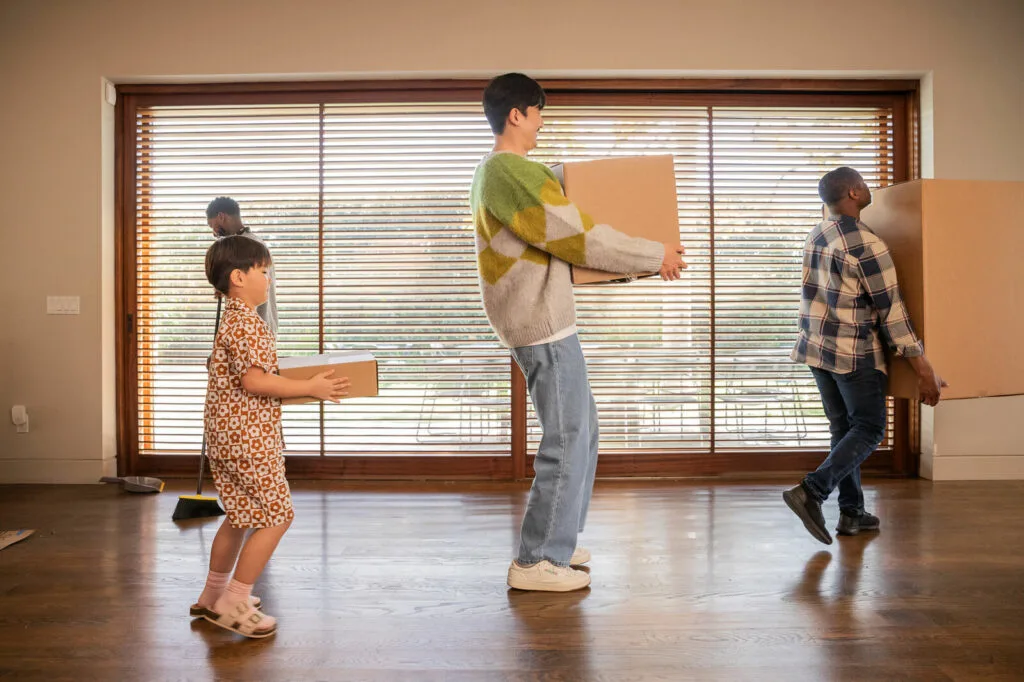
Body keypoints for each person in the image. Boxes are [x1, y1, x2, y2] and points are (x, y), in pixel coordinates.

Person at [470, 73, 687, 591]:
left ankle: (558, 536)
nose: (543, 121)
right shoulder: (506, 170)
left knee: (583, 431)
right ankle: (537, 560)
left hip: (546, 318)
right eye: (538, 111)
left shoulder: (514, 171)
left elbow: (558, 200)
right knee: (567, 437)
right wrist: (655, 255)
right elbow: (575, 237)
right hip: (539, 322)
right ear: (516, 114)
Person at [190, 235, 348, 638]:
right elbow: (256, 381)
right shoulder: (250, 323)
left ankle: (212, 594)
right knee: (278, 516)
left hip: (225, 440)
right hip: (249, 441)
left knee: (240, 516)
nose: (269, 279)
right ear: (240, 277)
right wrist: (311, 387)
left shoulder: (230, 319)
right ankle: (235, 600)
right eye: (264, 271)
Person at [784, 167, 946, 545]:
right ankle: (812, 490)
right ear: (854, 193)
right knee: (870, 428)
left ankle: (852, 513)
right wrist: (923, 368)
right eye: (864, 185)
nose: (868, 188)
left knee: (844, 429)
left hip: (816, 350)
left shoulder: (817, 233)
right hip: (853, 353)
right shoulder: (866, 245)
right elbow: (893, 312)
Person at [206, 197, 278, 334]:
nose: (214, 232)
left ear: (221, 216)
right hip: (258, 330)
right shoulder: (253, 242)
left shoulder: (246, 247)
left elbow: (248, 289)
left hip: (253, 332)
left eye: (213, 225)